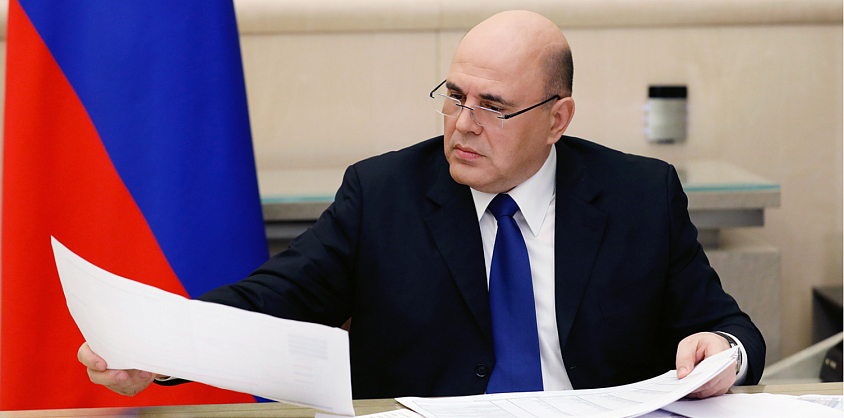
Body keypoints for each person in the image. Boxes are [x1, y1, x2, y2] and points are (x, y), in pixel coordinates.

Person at [78, 10, 765, 400]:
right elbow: (275, 298)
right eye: (455, 95)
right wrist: (156, 346)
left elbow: (728, 329)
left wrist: (723, 354)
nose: (463, 124)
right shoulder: (383, 195)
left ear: (557, 118)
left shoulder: (640, 195)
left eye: (492, 106)